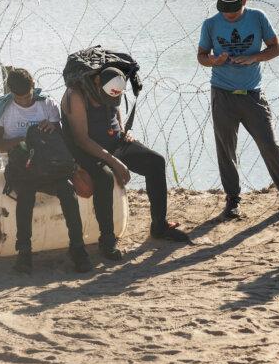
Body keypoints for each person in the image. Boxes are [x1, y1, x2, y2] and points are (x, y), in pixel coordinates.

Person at [197, 0, 279, 220]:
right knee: (226, 149)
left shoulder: (258, 17)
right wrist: (213, 61)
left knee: (269, 145)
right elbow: (201, 56)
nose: (229, 15)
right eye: (225, 10)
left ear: (244, 1)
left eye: (234, 9)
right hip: (222, 93)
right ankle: (233, 200)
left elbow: (276, 48)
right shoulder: (210, 24)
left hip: (252, 94)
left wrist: (255, 57)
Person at [62, 65, 189, 261]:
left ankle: (159, 226)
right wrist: (113, 161)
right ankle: (107, 240)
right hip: (88, 150)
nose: (113, 100)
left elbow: (115, 110)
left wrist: (123, 131)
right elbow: (81, 139)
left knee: (156, 162)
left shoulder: (111, 90)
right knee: (105, 177)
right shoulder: (75, 95)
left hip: (115, 142)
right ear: (97, 82)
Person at [0, 67, 91, 274]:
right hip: (20, 167)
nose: (25, 101)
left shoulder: (47, 104)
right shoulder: (2, 110)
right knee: (25, 196)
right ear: (11, 93)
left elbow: (61, 138)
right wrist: (22, 139)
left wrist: (53, 129)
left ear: (34, 86)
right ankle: (24, 252)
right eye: (19, 98)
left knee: (68, 193)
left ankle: (78, 248)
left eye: (28, 96)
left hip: (48, 165)